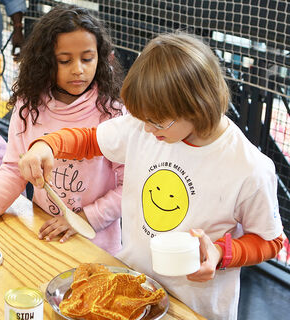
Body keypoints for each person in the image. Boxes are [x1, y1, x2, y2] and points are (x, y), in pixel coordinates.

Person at [18, 33, 284, 319]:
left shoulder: (249, 168)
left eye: (156, 122)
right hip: (134, 288)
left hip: (194, 307)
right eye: (142, 119)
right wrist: (48, 146)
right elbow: (91, 140)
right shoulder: (147, 125)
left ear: (197, 106)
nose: (146, 130)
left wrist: (221, 254)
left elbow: (271, 241)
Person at [0, 5, 126, 255]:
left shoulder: (113, 111)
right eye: (65, 61)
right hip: (44, 233)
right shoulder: (29, 104)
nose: (78, 69)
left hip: (97, 245)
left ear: (100, 58)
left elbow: (128, 188)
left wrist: (84, 218)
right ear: (45, 62)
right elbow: (14, 170)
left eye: (87, 59)